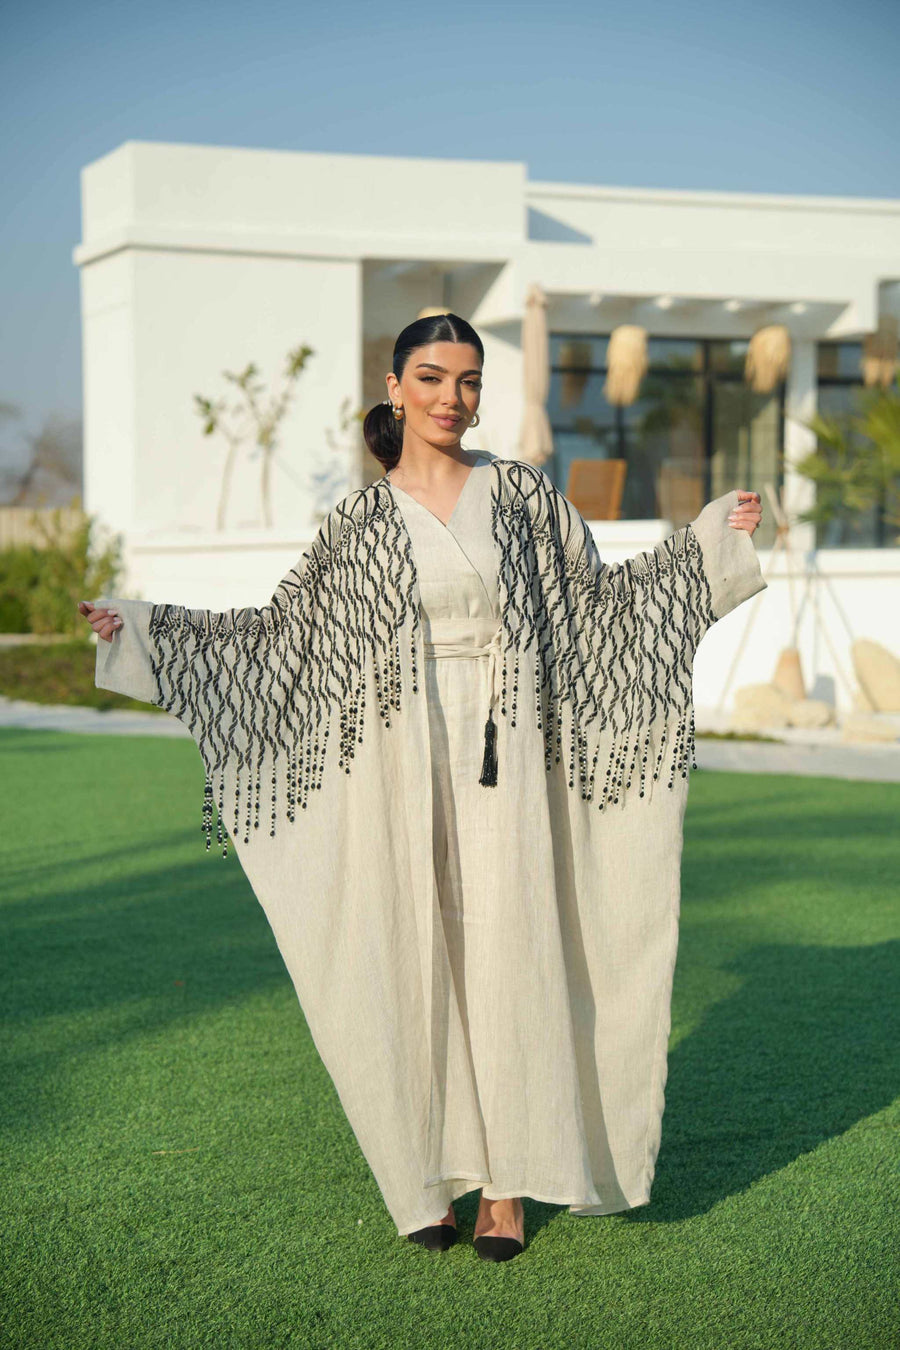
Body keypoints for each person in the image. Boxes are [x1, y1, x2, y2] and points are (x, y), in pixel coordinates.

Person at [78, 312, 766, 1263]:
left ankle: (506, 1186)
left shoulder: (522, 498)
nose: (455, 399)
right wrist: (143, 630)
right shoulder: (358, 524)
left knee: (510, 950)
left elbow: (603, 609)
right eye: (435, 379)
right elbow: (279, 642)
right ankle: (429, 1173)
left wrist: (706, 546)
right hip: (397, 765)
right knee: (411, 950)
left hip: (514, 755)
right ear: (395, 388)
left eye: (471, 381)